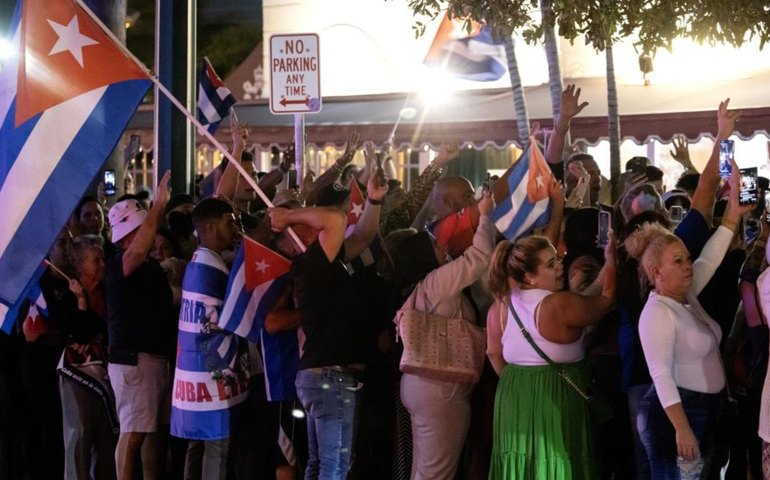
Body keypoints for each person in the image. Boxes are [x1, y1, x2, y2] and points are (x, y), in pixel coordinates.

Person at [626, 163, 750, 478]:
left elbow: (710, 256)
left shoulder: (687, 295)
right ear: (656, 272)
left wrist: (734, 212)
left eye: (686, 258)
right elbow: (661, 374)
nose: (687, 265)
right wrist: (680, 427)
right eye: (678, 261)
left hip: (706, 408)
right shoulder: (657, 312)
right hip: (678, 413)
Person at [268, 164, 388, 479]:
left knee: (320, 465)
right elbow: (335, 219)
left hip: (323, 377)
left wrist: (373, 202)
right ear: (296, 238)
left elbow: (362, 235)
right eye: (309, 223)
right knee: (334, 468)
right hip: (330, 379)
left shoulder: (323, 264)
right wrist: (289, 216)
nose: (316, 224)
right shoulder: (312, 265)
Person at [486, 232, 616, 479]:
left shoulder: (500, 307)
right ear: (529, 276)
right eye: (551, 264)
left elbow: (493, 352)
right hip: (556, 396)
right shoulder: (560, 305)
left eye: (557, 259)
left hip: (513, 397)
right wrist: (611, 260)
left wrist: (522, 380)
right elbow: (606, 301)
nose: (560, 267)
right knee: (560, 460)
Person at [390, 191, 494, 480]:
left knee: (425, 468)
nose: (444, 247)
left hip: (422, 384)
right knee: (437, 472)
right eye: (436, 246)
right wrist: (485, 215)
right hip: (441, 387)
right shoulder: (436, 282)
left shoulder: (421, 287)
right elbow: (480, 257)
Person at [170, 197, 247, 480]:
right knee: (216, 445)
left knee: (197, 444)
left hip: (196, 375)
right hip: (211, 376)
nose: (236, 227)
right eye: (230, 222)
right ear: (211, 228)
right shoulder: (211, 270)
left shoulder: (199, 261)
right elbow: (216, 328)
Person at [106, 171, 175, 480]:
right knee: (133, 433)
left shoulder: (149, 268)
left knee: (153, 433)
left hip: (155, 358)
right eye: (142, 225)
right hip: (134, 360)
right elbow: (135, 252)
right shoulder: (121, 264)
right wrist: (159, 204)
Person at [60, 234, 117, 480]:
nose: (103, 264)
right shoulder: (68, 296)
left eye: (103, 258)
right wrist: (81, 301)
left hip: (107, 371)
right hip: (79, 376)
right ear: (80, 264)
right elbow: (78, 335)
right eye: (96, 260)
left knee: (108, 434)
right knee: (83, 434)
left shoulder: (108, 291)